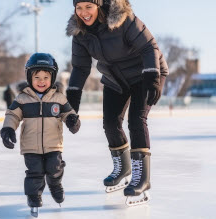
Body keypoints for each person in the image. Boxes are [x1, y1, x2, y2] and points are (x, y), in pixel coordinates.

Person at [66, 0, 169, 205]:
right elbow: (80, 68)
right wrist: (71, 106)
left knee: (136, 120)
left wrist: (152, 77)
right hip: (116, 78)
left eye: (89, 7)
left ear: (99, 5)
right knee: (110, 123)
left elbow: (150, 47)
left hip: (145, 74)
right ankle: (123, 168)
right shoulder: (80, 33)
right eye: (79, 8)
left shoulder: (123, 18)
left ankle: (142, 177)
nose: (84, 13)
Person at [0, 53, 81, 214]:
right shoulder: (22, 99)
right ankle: (34, 196)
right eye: (37, 77)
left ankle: (55, 184)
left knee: (55, 168)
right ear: (29, 78)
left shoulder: (59, 98)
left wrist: (72, 120)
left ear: (53, 77)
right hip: (30, 146)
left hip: (54, 144)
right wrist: (8, 129)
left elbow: (68, 113)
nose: (41, 81)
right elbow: (12, 115)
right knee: (34, 172)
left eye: (45, 77)